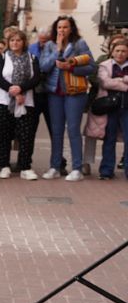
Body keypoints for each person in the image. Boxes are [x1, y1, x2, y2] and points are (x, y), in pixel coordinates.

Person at [39, 15, 96, 181]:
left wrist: (71, 68)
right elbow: (43, 66)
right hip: (54, 92)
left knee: (72, 129)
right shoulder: (49, 45)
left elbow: (92, 67)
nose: (62, 30)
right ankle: (54, 166)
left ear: (71, 29)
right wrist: (57, 50)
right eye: (59, 27)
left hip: (74, 92)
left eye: (65, 27)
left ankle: (77, 168)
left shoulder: (80, 44)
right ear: (55, 29)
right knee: (56, 131)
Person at [0, 28, 42, 181]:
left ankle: (25, 166)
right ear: (8, 42)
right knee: (4, 134)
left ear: (24, 42)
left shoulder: (32, 58)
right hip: (5, 101)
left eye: (18, 40)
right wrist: (13, 90)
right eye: (12, 40)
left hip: (26, 102)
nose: (15, 43)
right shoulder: (1, 57)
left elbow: (36, 78)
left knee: (26, 134)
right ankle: (4, 165)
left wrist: (21, 89)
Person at [94, 37, 128, 179]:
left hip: (127, 108)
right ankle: (106, 171)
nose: (120, 53)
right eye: (118, 51)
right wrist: (124, 80)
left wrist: (116, 81)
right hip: (110, 108)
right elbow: (105, 83)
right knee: (109, 139)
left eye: (124, 51)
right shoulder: (104, 65)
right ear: (112, 52)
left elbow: (110, 81)